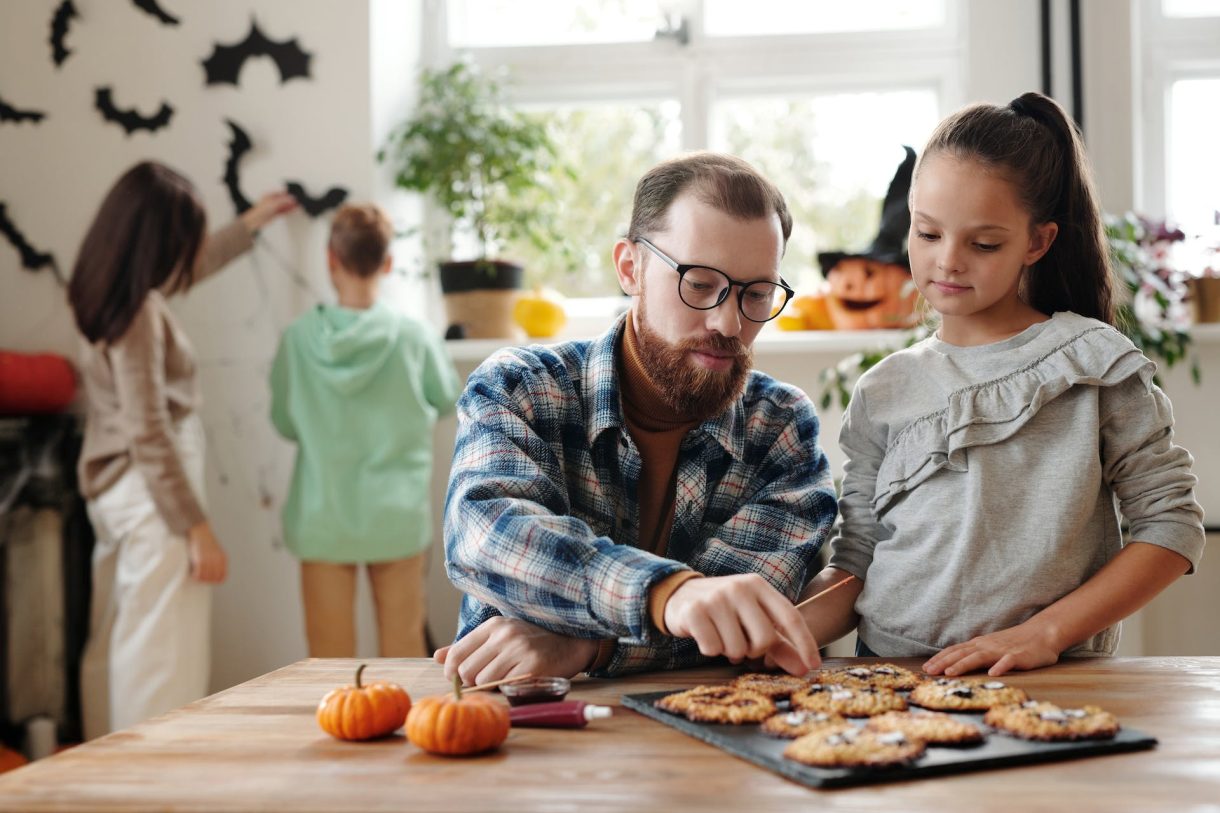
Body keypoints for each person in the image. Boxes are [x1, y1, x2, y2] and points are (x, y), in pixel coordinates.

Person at [798, 92, 1206, 677]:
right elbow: (858, 558)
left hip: (1048, 676)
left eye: (983, 243)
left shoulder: (1092, 364)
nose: (948, 262)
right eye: (927, 234)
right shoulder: (883, 388)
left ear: (1037, 242)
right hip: (893, 679)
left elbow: (1172, 527)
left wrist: (1043, 634)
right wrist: (788, 624)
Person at [436, 153, 839, 686]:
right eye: (698, 283)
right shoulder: (522, 387)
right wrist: (667, 594)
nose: (729, 322)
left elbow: (744, 618)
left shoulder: (780, 426)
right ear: (631, 268)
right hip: (526, 730)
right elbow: (488, 535)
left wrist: (589, 647)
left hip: (721, 738)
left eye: (757, 294)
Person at [69, 161, 295, 738]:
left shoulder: (106, 291)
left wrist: (252, 223)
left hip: (118, 492)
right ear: (158, 243)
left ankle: (108, 775)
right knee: (159, 656)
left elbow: (195, 266)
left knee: (118, 639)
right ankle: (155, 779)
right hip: (156, 496)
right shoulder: (139, 315)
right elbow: (149, 430)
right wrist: (196, 529)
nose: (188, 255)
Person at [269, 202, 461, 658]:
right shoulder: (414, 338)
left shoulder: (298, 340)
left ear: (330, 259)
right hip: (396, 517)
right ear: (387, 263)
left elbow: (284, 422)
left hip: (322, 517)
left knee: (327, 660)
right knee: (403, 651)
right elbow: (448, 398)